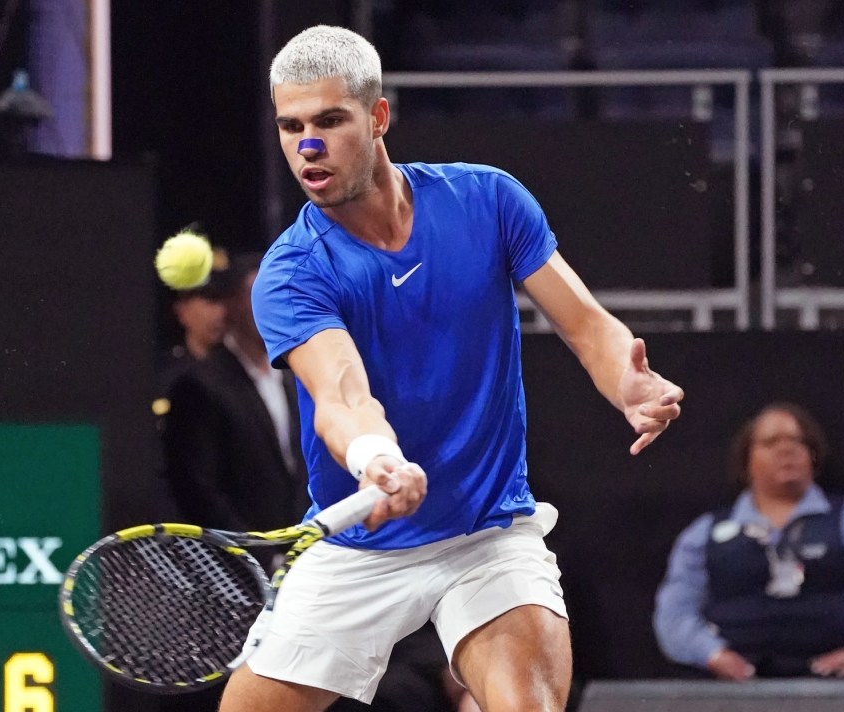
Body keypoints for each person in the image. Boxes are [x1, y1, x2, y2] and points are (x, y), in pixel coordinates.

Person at [220, 25, 684, 712]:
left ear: (378, 118)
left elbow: (586, 325)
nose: (307, 148)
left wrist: (629, 382)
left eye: (329, 121)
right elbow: (342, 394)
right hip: (359, 544)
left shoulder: (487, 202)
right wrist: (377, 459)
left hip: (486, 534)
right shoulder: (291, 274)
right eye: (291, 127)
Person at [654, 402, 844, 680]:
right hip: (736, 691)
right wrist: (712, 654)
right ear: (746, 460)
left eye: (798, 441)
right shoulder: (705, 533)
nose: (787, 450)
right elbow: (674, 611)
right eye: (771, 442)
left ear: (813, 456)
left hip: (838, 689)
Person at [159, 251, 308, 534]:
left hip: (297, 557)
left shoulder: (294, 377)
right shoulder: (199, 385)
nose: (270, 308)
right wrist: (257, 551)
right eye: (258, 296)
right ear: (231, 304)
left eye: (277, 293)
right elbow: (196, 489)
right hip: (234, 565)